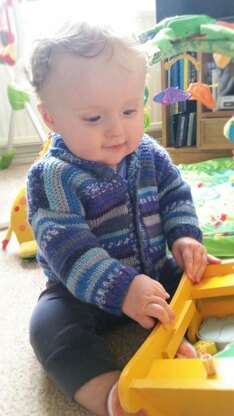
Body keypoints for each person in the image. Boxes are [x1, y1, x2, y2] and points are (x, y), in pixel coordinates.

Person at [26, 20, 220, 416]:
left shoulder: (148, 152)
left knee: (202, 278)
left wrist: (184, 237)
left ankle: (190, 332)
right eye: (94, 119)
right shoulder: (53, 177)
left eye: (130, 110)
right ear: (52, 119)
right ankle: (112, 395)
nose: (117, 130)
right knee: (48, 328)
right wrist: (124, 290)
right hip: (79, 292)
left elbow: (174, 193)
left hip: (153, 272)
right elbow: (71, 252)